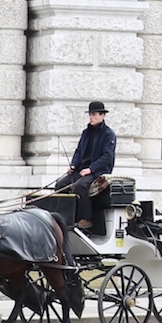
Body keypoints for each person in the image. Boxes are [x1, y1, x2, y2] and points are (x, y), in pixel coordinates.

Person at [61, 100, 115, 234]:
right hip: (82, 169)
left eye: (94, 114)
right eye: (90, 114)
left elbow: (107, 157)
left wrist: (91, 169)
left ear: (102, 116)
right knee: (60, 185)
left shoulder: (109, 134)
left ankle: (86, 218)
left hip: (97, 171)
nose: (91, 117)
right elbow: (79, 151)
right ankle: (65, 217)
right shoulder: (86, 133)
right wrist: (74, 165)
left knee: (80, 186)